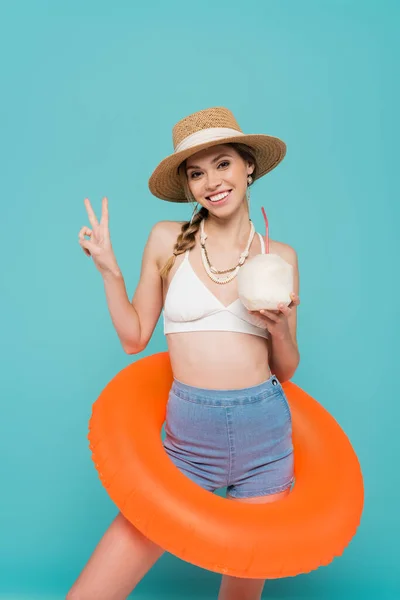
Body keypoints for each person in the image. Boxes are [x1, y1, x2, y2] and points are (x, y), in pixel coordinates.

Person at [70, 107, 301, 600]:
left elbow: (287, 368)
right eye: (197, 173)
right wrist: (109, 271)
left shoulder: (278, 257)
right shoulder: (165, 242)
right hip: (187, 444)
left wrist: (279, 330)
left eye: (222, 165)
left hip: (266, 441)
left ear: (249, 167)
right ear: (188, 185)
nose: (211, 182)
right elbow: (134, 339)